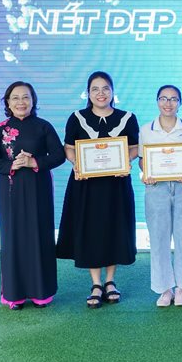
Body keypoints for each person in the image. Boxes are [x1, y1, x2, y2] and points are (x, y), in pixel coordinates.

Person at [55, 71, 139, 308]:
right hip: (86, 186)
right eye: (95, 89)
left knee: (114, 228)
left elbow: (134, 147)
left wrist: (126, 161)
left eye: (105, 88)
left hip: (116, 184)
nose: (100, 93)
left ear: (112, 91)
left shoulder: (127, 118)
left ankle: (110, 281)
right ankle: (96, 283)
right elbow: (69, 148)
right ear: (88, 93)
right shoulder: (77, 118)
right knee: (91, 230)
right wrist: (77, 163)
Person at [0, 81, 65, 310]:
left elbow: (58, 155)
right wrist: (12, 165)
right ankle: (14, 294)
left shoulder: (43, 127)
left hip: (39, 189)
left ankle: (41, 293)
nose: (21, 102)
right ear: (8, 103)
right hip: (11, 191)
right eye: (15, 98)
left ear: (33, 100)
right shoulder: (0, 130)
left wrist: (34, 162)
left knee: (40, 236)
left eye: (26, 97)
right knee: (13, 238)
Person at [138, 84, 182, 307]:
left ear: (180, 103)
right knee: (158, 239)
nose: (168, 103)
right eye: (164, 98)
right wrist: (147, 173)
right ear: (157, 101)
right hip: (156, 189)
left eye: (174, 99)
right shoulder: (146, 130)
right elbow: (142, 160)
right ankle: (164, 289)